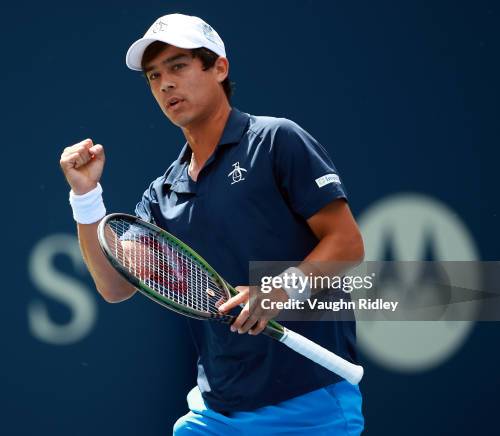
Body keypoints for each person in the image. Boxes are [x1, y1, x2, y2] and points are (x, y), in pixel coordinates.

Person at [60, 13, 365, 435]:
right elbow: (115, 288)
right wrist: (86, 198)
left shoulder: (277, 141)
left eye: (178, 66)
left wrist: (280, 289)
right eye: (154, 75)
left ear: (219, 67)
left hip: (310, 403)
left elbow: (347, 244)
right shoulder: (162, 193)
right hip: (214, 413)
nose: (165, 83)